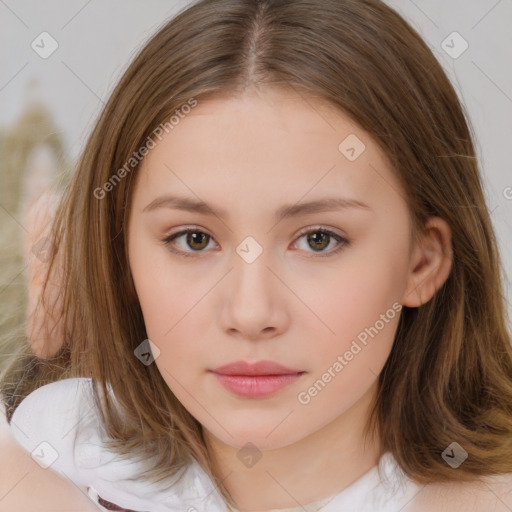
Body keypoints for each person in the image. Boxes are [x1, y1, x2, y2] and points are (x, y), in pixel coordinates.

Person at [1, 0, 512, 510]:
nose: (250, 314)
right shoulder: (59, 438)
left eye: (318, 239)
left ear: (421, 263)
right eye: (193, 239)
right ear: (122, 254)